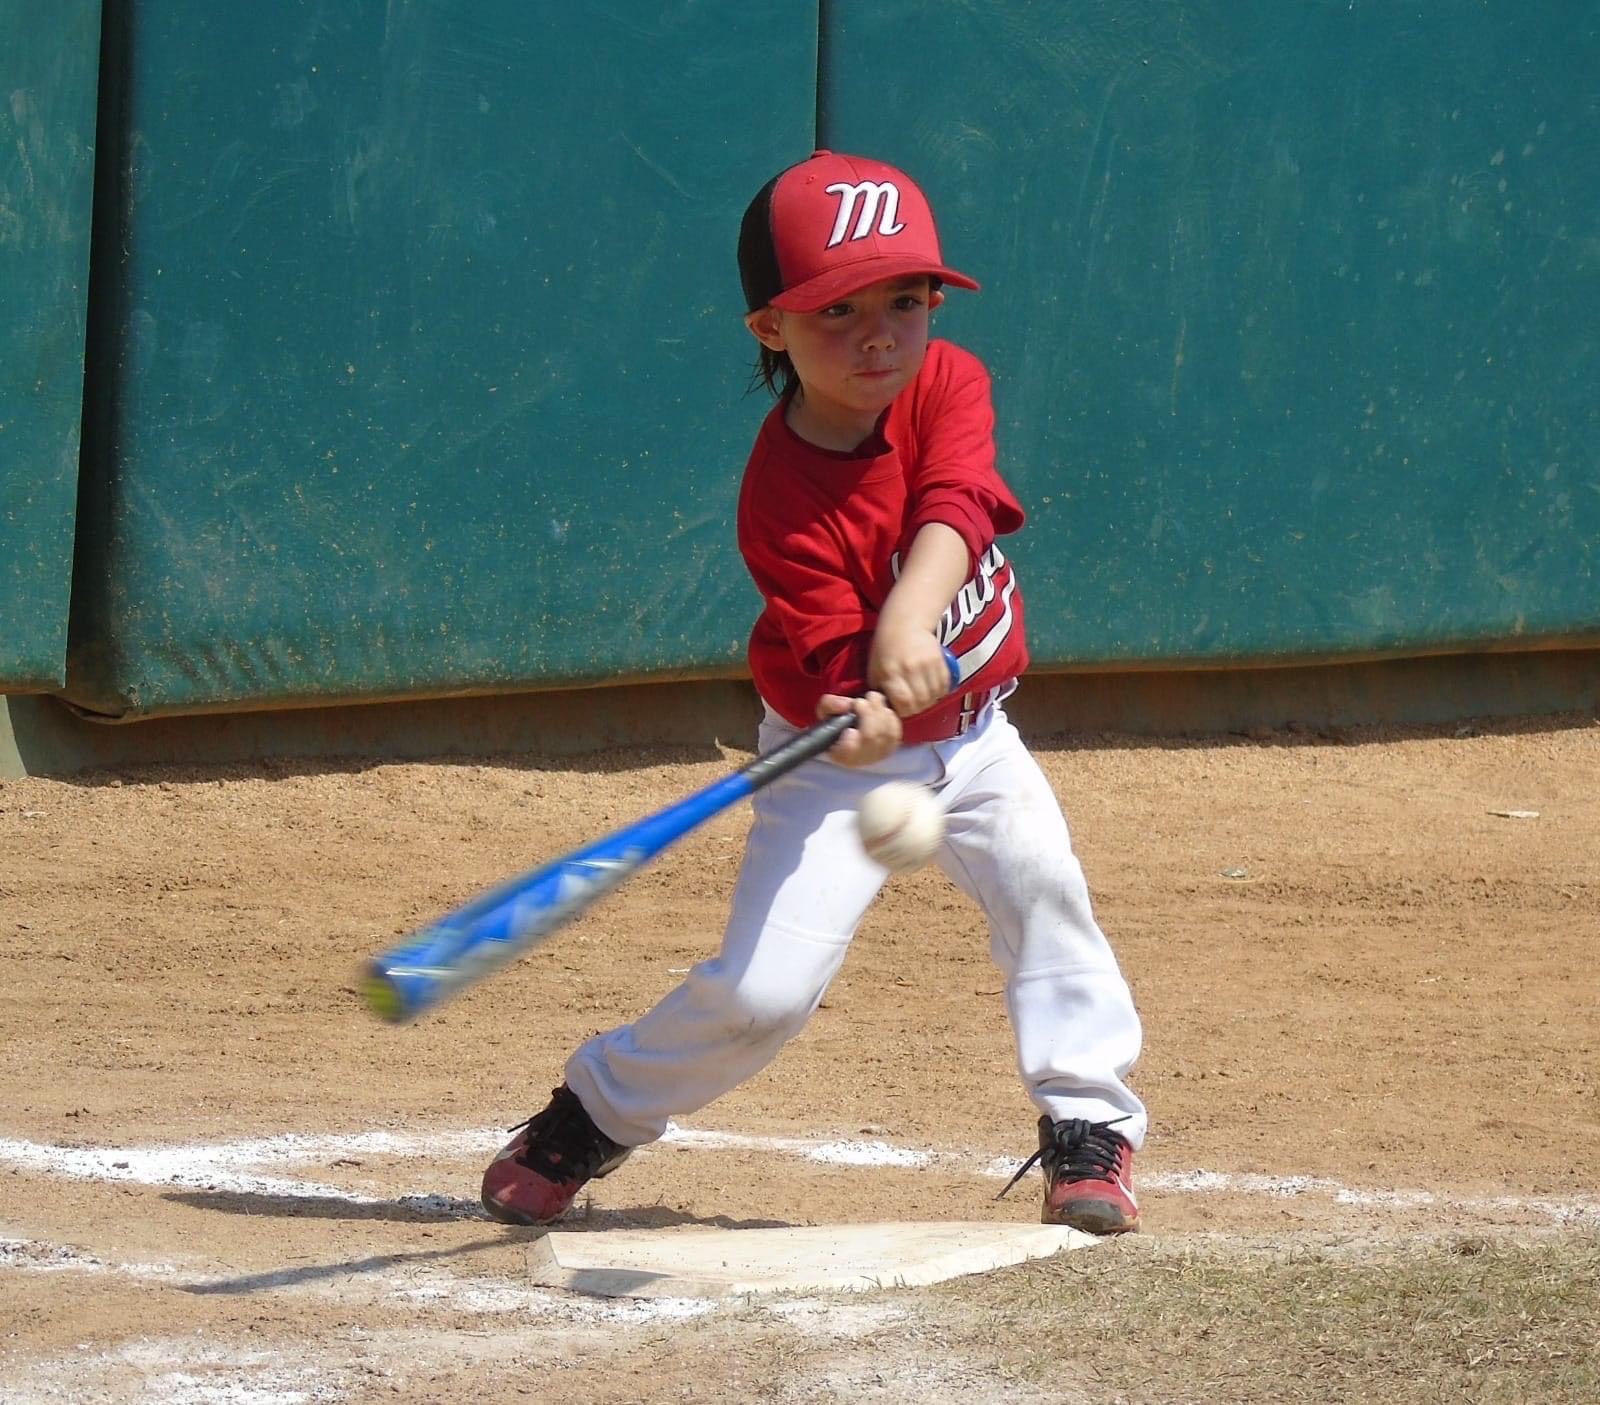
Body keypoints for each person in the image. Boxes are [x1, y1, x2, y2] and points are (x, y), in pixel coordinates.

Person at [481, 151, 1146, 1234]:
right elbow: (844, 681)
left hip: (977, 741)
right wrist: (855, 706)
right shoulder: (779, 496)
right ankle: (591, 1110)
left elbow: (955, 502)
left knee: (1044, 900)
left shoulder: (948, 381)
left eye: (904, 299)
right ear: (769, 330)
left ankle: (1088, 1128)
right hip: (837, 761)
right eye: (836, 310)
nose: (879, 333)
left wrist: (906, 620)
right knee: (762, 995)